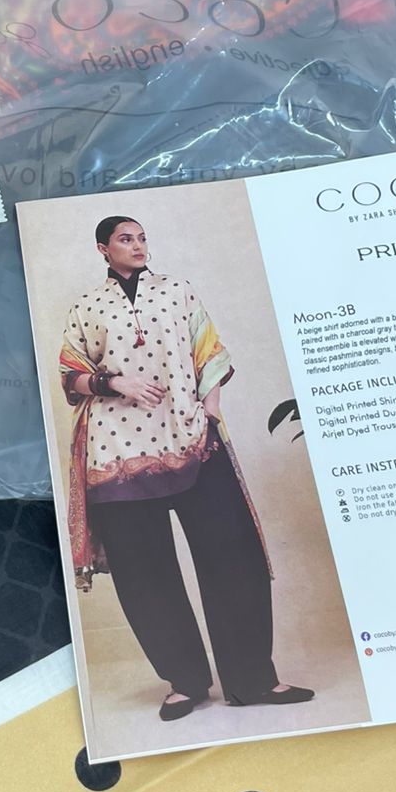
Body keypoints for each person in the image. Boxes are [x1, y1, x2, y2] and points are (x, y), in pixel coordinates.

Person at [59, 215, 314, 722]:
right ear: (103, 249)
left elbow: (208, 352)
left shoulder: (177, 291)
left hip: (189, 435)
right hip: (116, 451)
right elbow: (72, 376)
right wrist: (115, 383)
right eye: (125, 239)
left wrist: (210, 410)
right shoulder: (87, 306)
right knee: (143, 571)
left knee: (233, 554)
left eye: (142, 237)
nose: (137, 245)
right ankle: (186, 682)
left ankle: (253, 679)